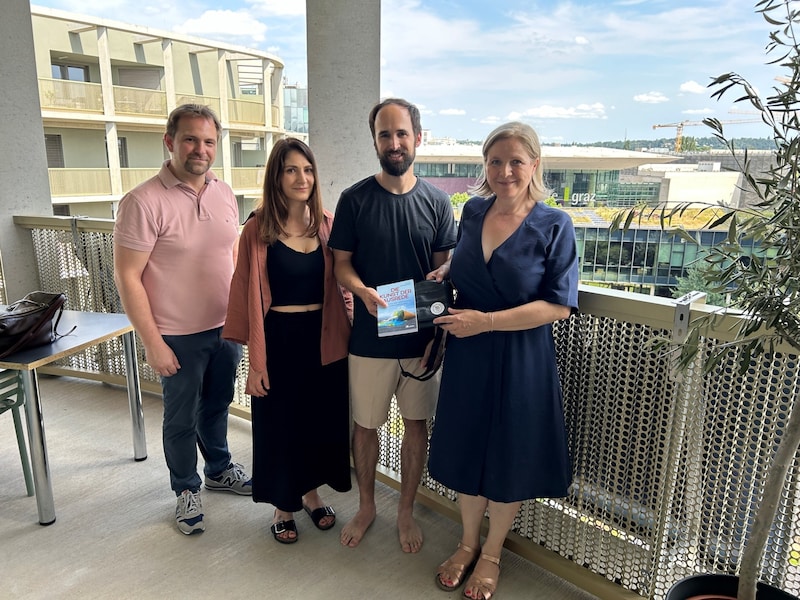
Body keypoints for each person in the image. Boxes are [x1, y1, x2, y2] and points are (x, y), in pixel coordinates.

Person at [427, 121, 579, 600]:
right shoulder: (472, 211)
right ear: (484, 166)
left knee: (510, 454)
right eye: (495, 161)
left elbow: (558, 305)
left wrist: (487, 323)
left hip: (521, 356)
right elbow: (473, 258)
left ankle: (492, 552)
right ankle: (467, 542)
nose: (505, 170)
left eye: (516, 161)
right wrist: (450, 267)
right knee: (469, 445)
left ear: (534, 165)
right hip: (468, 352)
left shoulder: (556, 224)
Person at [114, 104, 252, 536]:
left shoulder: (224, 192)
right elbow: (128, 276)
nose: (200, 149)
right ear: (170, 142)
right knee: (180, 418)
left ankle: (218, 469)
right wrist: (152, 342)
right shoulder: (142, 201)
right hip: (176, 335)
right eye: (190, 139)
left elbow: (230, 256)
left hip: (225, 328)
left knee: (216, 405)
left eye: (209, 141)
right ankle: (186, 488)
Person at [328, 97, 457, 552]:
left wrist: (441, 325)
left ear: (418, 138)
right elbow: (341, 264)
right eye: (385, 134)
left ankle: (405, 510)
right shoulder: (354, 200)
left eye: (402, 133)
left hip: (421, 341)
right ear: (375, 141)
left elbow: (444, 273)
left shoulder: (438, 203)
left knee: (416, 424)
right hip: (369, 337)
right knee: (365, 426)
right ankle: (367, 506)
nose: (394, 142)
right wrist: (361, 290)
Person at [223, 138, 353, 544]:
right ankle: (284, 504)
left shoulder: (328, 224)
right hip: (279, 340)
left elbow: (345, 285)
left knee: (318, 421)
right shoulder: (257, 229)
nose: (302, 178)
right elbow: (244, 292)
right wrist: (255, 364)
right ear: (276, 177)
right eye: (291, 170)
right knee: (281, 425)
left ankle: (312, 495)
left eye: (308, 170)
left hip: (325, 340)